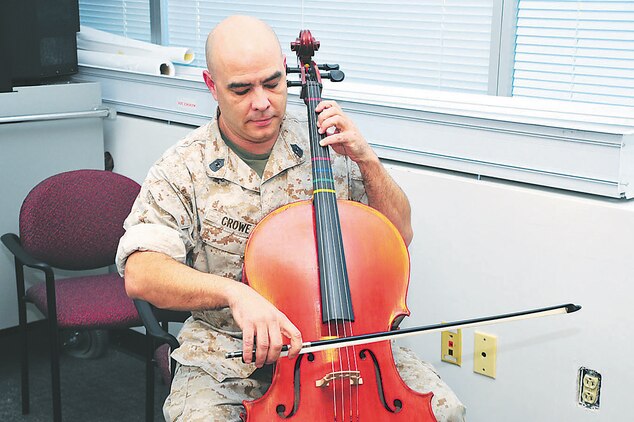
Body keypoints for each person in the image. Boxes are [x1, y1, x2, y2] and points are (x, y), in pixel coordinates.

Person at [116, 15, 465, 422]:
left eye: (273, 82)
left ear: (286, 70)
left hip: (343, 345)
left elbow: (398, 236)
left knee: (444, 412)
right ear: (212, 86)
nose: (262, 101)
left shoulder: (326, 144)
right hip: (227, 352)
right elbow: (141, 273)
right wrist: (236, 294)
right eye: (242, 89)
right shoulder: (182, 167)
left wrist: (367, 161)